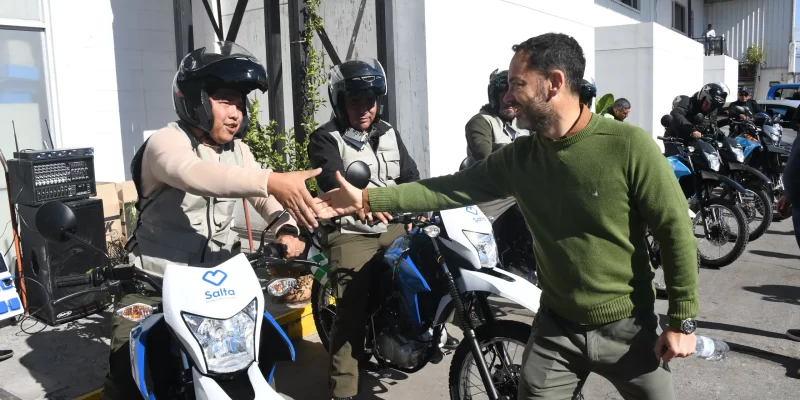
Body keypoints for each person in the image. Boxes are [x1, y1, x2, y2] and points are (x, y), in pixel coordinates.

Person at [316, 33, 699, 400]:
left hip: (629, 329)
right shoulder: (521, 157)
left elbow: (675, 230)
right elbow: (448, 188)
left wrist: (683, 319)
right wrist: (367, 198)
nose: (508, 97)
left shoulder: (628, 146)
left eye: (518, 84)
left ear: (554, 83)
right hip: (556, 329)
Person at [103, 41, 321, 399]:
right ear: (195, 100)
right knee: (127, 370)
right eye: (224, 101)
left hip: (218, 287)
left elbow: (264, 198)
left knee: (254, 361)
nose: (235, 113)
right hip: (155, 283)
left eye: (239, 103)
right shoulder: (165, 142)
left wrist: (285, 227)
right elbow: (192, 173)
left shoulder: (239, 151)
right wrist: (270, 179)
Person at [306, 58, 455, 400]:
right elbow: (332, 182)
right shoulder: (325, 138)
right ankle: (343, 389)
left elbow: (410, 176)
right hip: (351, 230)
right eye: (355, 101)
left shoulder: (388, 132)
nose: (364, 109)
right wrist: (363, 204)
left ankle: (419, 333)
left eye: (369, 101)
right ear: (340, 102)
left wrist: (419, 210)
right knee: (351, 309)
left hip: (392, 224)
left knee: (433, 264)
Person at [465, 68, 526, 161]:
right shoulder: (481, 122)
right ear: (495, 98)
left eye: (514, 97)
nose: (509, 101)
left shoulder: (525, 121)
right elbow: (485, 157)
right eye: (504, 96)